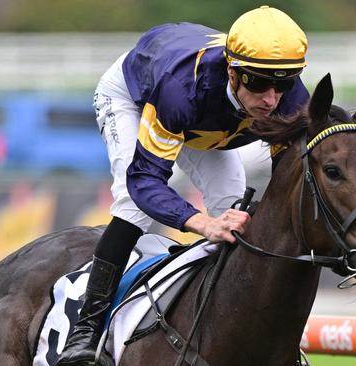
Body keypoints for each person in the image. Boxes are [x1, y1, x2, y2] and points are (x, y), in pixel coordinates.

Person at [56, 5, 310, 364]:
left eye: (282, 84)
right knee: (131, 203)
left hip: (209, 124)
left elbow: (289, 182)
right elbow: (145, 181)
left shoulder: (292, 100)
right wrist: (203, 224)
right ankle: (85, 330)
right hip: (138, 98)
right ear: (232, 71)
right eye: (257, 82)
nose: (270, 99)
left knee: (234, 207)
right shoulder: (181, 89)